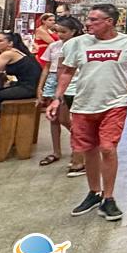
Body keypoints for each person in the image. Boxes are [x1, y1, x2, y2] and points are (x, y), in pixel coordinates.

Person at [47, 4, 127, 221]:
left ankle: (108, 198)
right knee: (89, 149)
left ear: (110, 22)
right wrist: (57, 98)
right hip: (83, 104)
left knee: (108, 149)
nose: (88, 23)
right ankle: (94, 192)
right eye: (88, 19)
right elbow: (67, 71)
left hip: (115, 104)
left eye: (94, 20)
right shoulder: (77, 44)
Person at [35, 16, 86, 175]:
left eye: (64, 31)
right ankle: (57, 151)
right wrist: (40, 87)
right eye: (57, 31)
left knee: (66, 119)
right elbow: (48, 68)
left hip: (72, 86)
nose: (60, 34)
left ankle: (81, 148)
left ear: (74, 31)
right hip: (54, 83)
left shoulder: (81, 46)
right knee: (54, 119)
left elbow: (67, 70)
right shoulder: (54, 46)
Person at [0, 32, 43, 162]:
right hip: (30, 87)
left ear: (10, 44)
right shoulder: (18, 52)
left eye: (0, 41)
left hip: (27, 89)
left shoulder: (7, 53)